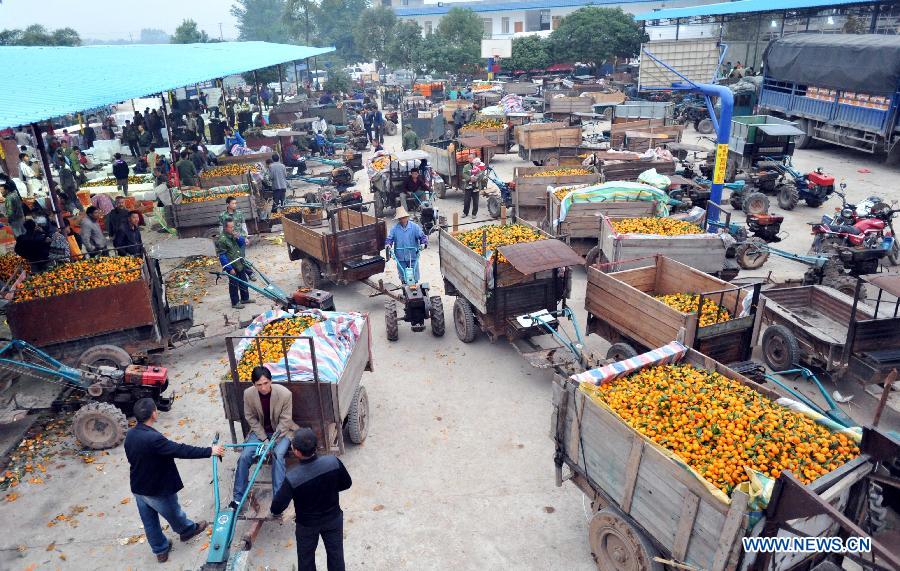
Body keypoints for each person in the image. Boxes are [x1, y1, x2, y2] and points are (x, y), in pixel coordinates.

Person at [125, 398, 224, 563]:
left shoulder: (131, 434)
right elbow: (180, 450)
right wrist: (209, 451)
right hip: (157, 489)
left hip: (138, 487)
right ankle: (187, 531)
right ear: (154, 414)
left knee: (149, 522)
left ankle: (160, 550)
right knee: (174, 513)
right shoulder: (154, 439)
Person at [270, 428, 352, 571]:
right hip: (333, 519)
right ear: (316, 446)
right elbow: (347, 483)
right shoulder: (333, 462)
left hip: (307, 526)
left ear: (296, 451)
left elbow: (277, 507)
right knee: (336, 557)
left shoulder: (292, 477)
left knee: (306, 561)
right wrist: (329, 490)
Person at [230, 366, 296, 508]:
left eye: (266, 383)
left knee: (277, 454)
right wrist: (264, 439)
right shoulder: (248, 394)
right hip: (260, 432)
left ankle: (278, 498)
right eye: (259, 385)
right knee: (244, 456)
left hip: (282, 432)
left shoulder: (285, 394)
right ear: (253, 385)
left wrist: (272, 442)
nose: (263, 388)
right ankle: (237, 498)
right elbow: (250, 418)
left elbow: (285, 420)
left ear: (271, 381)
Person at [385, 206, 426, 282]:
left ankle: (415, 284)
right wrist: (388, 245)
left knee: (414, 273)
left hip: (412, 255)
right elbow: (389, 239)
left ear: (407, 217)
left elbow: (422, 237)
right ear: (398, 219)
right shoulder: (394, 229)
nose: (402, 219)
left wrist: (423, 244)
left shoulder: (414, 227)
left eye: (404, 217)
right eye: (400, 218)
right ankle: (404, 284)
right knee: (403, 274)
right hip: (400, 256)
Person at [217, 218, 251, 308]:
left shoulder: (233, 235)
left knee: (244, 281)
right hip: (232, 264)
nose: (233, 229)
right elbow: (222, 256)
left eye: (233, 227)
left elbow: (241, 244)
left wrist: (239, 237)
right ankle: (235, 303)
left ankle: (245, 298)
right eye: (231, 227)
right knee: (234, 284)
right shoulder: (222, 240)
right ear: (225, 228)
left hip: (239, 262)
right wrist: (229, 268)